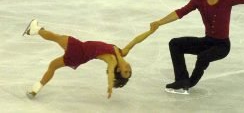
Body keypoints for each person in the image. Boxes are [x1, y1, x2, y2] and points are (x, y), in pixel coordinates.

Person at [23, 19, 154, 99]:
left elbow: (110, 71)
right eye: (130, 72)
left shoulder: (112, 59)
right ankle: (36, 89)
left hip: (78, 49)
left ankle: (35, 30)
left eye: (126, 73)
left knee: (57, 37)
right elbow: (136, 40)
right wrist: (151, 31)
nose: (129, 70)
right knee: (53, 66)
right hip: (79, 57)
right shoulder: (122, 52)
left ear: (118, 70)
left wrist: (110, 85)